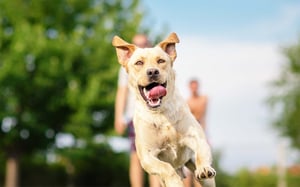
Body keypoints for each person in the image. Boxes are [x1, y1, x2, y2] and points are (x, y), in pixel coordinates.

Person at [114, 34, 160, 187]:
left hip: (155, 115)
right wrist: (118, 117)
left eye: (144, 44)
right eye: (137, 45)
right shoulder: (128, 66)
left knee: (156, 156)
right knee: (136, 156)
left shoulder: (157, 65)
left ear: (150, 45)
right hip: (135, 116)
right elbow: (122, 92)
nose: (141, 47)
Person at [184, 79, 213, 187]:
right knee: (188, 169)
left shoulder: (204, 99)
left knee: (202, 165)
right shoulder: (187, 102)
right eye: (192, 87)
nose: (194, 89)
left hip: (202, 134)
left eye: (196, 86)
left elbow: (201, 114)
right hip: (191, 135)